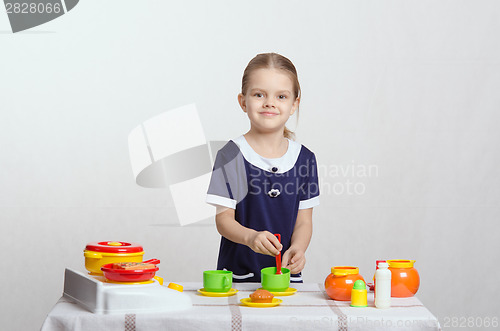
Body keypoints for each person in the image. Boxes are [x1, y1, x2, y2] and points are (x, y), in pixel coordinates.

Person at [206, 53, 319, 283]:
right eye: (259, 94)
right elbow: (224, 220)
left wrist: (298, 248)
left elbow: (304, 221)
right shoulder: (230, 156)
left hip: (284, 281)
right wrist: (250, 237)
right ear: (243, 102)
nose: (270, 102)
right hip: (237, 279)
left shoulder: (305, 159)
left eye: (281, 96)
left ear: (294, 104)